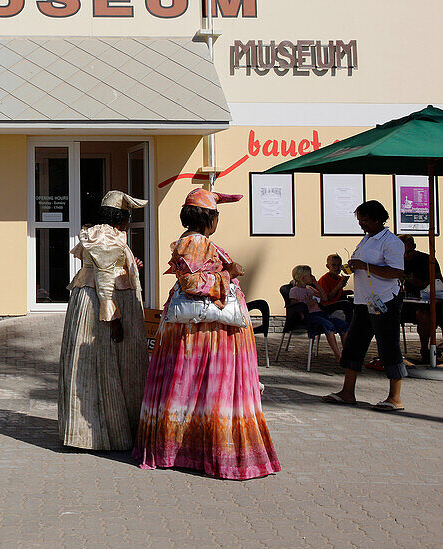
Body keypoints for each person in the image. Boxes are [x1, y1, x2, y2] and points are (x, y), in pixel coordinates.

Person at [133, 188, 280, 480]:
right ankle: (210, 451)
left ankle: (183, 446)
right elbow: (191, 283)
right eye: (216, 215)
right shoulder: (197, 242)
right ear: (209, 218)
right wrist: (230, 274)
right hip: (206, 330)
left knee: (187, 382)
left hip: (197, 327)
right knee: (209, 384)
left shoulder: (190, 241)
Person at [58, 191, 148, 451]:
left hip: (89, 298)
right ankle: (107, 432)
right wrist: (112, 316)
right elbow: (105, 279)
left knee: (88, 364)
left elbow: (106, 266)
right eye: (128, 217)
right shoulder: (105, 236)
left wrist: (131, 266)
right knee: (108, 361)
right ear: (120, 217)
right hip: (102, 304)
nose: (129, 223)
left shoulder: (97, 233)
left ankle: (90, 430)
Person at [323, 200, 406, 412]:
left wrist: (366, 266)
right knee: (354, 345)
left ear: (378, 219)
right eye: (360, 220)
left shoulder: (391, 242)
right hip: (363, 302)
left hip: (384, 300)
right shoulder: (367, 239)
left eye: (365, 220)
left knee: (388, 345)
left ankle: (394, 397)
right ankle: (347, 392)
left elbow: (396, 272)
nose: (362, 224)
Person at [289, 264, 349, 360]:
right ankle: (338, 355)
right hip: (309, 315)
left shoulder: (310, 288)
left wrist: (316, 284)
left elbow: (324, 298)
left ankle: (347, 353)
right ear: (302, 278)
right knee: (328, 325)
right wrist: (308, 304)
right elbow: (295, 307)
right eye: (310, 275)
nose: (312, 277)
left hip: (320, 313)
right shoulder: (294, 290)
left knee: (344, 325)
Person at [397, 234, 442, 364]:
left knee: (424, 315)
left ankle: (424, 349)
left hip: (426, 300)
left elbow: (438, 280)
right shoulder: (396, 260)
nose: (406, 256)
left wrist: (422, 284)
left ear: (414, 247)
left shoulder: (427, 260)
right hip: (406, 301)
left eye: (409, 251)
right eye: (403, 252)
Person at [317, 254, 352, 320]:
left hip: (335, 302)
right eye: (333, 265)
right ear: (328, 266)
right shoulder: (324, 279)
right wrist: (339, 286)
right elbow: (327, 298)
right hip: (325, 306)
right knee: (346, 304)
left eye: (339, 265)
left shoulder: (339, 278)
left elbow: (338, 293)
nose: (337, 268)